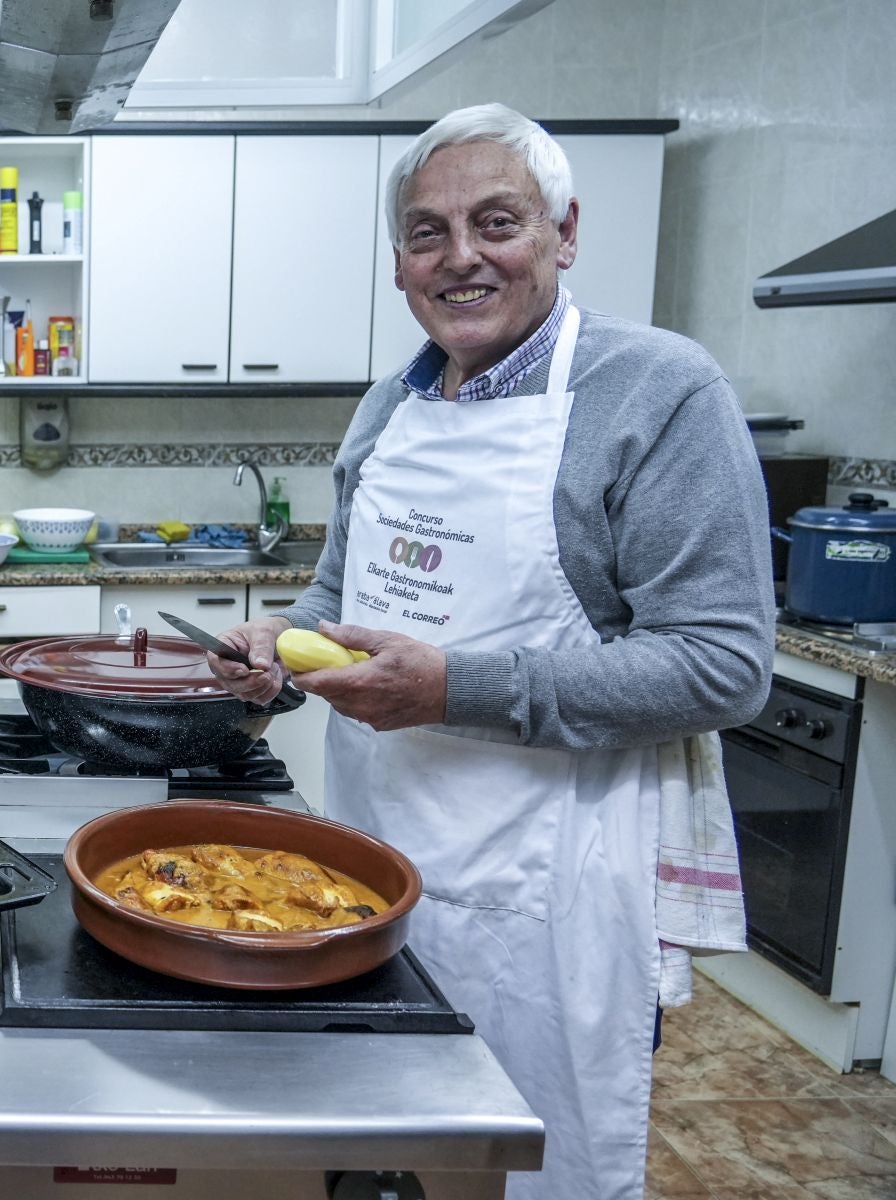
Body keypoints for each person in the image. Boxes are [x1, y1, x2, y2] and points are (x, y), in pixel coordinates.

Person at [209, 105, 771, 1200]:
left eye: (496, 221)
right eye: (427, 233)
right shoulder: (391, 404)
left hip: (556, 887)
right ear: (400, 264)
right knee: (383, 1151)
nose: (461, 256)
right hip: (369, 860)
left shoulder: (658, 393)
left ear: (564, 231)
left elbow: (722, 663)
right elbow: (345, 591)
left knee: (525, 1159)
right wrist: (279, 644)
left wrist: (453, 687)